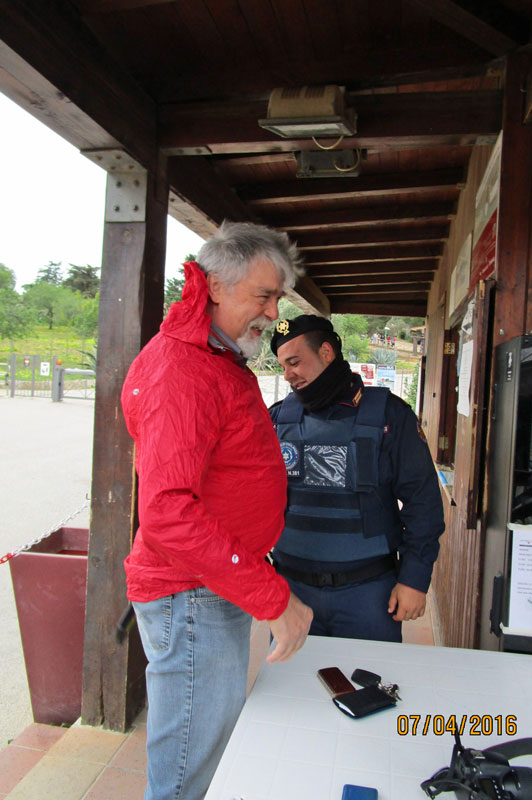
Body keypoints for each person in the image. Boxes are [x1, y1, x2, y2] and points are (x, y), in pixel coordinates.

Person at [121, 222, 313, 800]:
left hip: (206, 586)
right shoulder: (183, 368)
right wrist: (272, 595)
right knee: (191, 766)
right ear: (216, 288)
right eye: (265, 296)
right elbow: (168, 512)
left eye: (278, 298)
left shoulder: (211, 357)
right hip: (191, 593)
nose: (274, 312)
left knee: (205, 745)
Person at [269, 315, 444, 642]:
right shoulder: (278, 419)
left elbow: (423, 502)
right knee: (291, 690)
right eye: (283, 366)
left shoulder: (390, 415)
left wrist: (414, 579)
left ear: (325, 352)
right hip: (292, 593)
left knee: (371, 689)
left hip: (369, 594)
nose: (288, 375)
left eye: (295, 362)